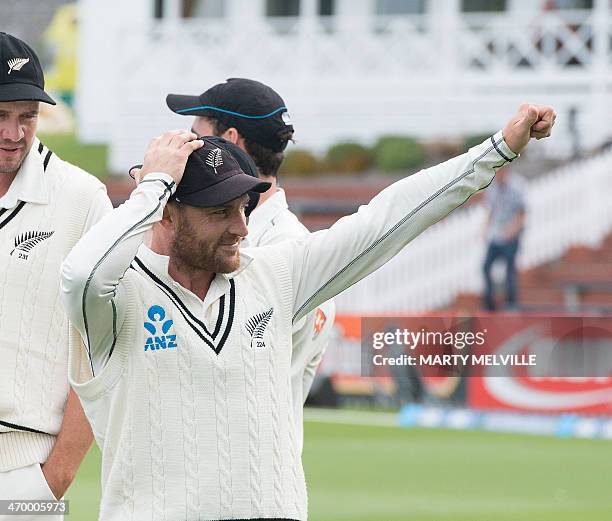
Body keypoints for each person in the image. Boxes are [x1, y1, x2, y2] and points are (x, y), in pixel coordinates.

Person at [61, 103, 555, 521]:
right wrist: (153, 186)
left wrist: (497, 151)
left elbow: (387, 219)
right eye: (219, 213)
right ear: (168, 213)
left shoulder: (276, 274)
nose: (241, 228)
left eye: (244, 208)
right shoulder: (117, 297)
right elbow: (81, 273)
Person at [166, 78, 336, 450]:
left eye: (197, 136)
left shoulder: (289, 250)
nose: (187, 146)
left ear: (229, 139)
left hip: (246, 467)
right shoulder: (289, 244)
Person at [0, 32, 112, 519]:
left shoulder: (83, 200)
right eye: (0, 116)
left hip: (27, 465)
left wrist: (56, 475)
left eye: (28, 116)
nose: (14, 134)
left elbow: (105, 346)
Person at [482, 166, 527, 311]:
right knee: (486, 266)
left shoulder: (517, 187)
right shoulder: (492, 188)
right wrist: (485, 229)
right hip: (496, 235)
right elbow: (492, 211)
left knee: (509, 269)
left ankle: (511, 304)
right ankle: (489, 302)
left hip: (511, 236)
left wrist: (512, 231)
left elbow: (521, 213)